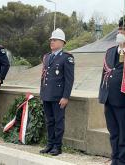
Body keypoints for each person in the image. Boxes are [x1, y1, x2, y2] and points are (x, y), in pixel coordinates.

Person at [99, 18, 125, 165]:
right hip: (109, 99)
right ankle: (115, 158)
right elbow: (104, 75)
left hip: (124, 101)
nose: (120, 32)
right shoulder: (110, 52)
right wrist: (102, 96)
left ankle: (123, 161)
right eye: (119, 30)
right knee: (113, 132)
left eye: (124, 30)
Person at [39, 28, 74, 156]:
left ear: (62, 42)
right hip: (47, 94)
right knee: (49, 121)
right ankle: (50, 144)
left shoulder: (67, 58)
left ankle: (57, 146)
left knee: (58, 122)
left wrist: (65, 96)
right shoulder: (47, 57)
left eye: (54, 40)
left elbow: (69, 80)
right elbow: (44, 77)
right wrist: (42, 93)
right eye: (51, 40)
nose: (51, 42)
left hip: (58, 96)